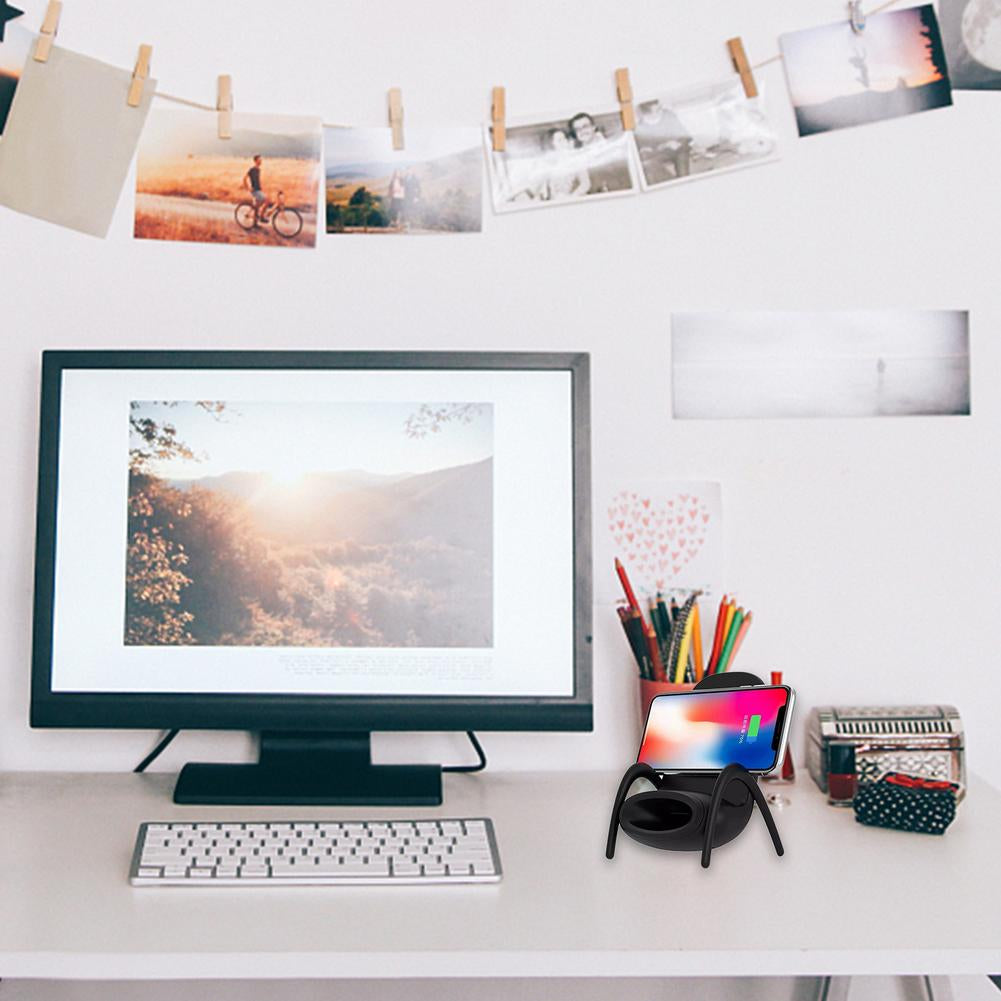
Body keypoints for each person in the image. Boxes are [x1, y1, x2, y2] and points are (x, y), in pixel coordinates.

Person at [567, 111, 630, 194]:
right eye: (578, 129)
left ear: (593, 127)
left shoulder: (611, 147)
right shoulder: (577, 156)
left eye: (585, 126)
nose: (582, 131)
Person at [634, 100, 692, 185]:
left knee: (682, 153)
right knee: (647, 164)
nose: (659, 113)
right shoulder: (640, 127)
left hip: (676, 150)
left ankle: (685, 182)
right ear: (644, 114)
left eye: (659, 109)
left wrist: (677, 142)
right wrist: (661, 147)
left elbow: (685, 136)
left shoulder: (668, 116)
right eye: (655, 112)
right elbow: (643, 150)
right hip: (657, 154)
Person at [534, 128, 589, 201]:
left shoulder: (576, 161)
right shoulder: (544, 164)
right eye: (560, 140)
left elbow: (586, 184)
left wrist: (571, 198)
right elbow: (537, 189)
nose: (565, 141)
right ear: (551, 144)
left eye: (565, 138)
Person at [243, 155, 270, 227]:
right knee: (267, 200)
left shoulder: (258, 169)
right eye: (259, 160)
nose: (261, 161)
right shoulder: (252, 169)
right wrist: (248, 188)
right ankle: (261, 217)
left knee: (257, 206)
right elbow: (244, 178)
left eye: (261, 160)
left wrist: (261, 188)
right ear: (255, 161)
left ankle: (255, 224)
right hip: (254, 190)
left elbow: (257, 181)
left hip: (258, 190)